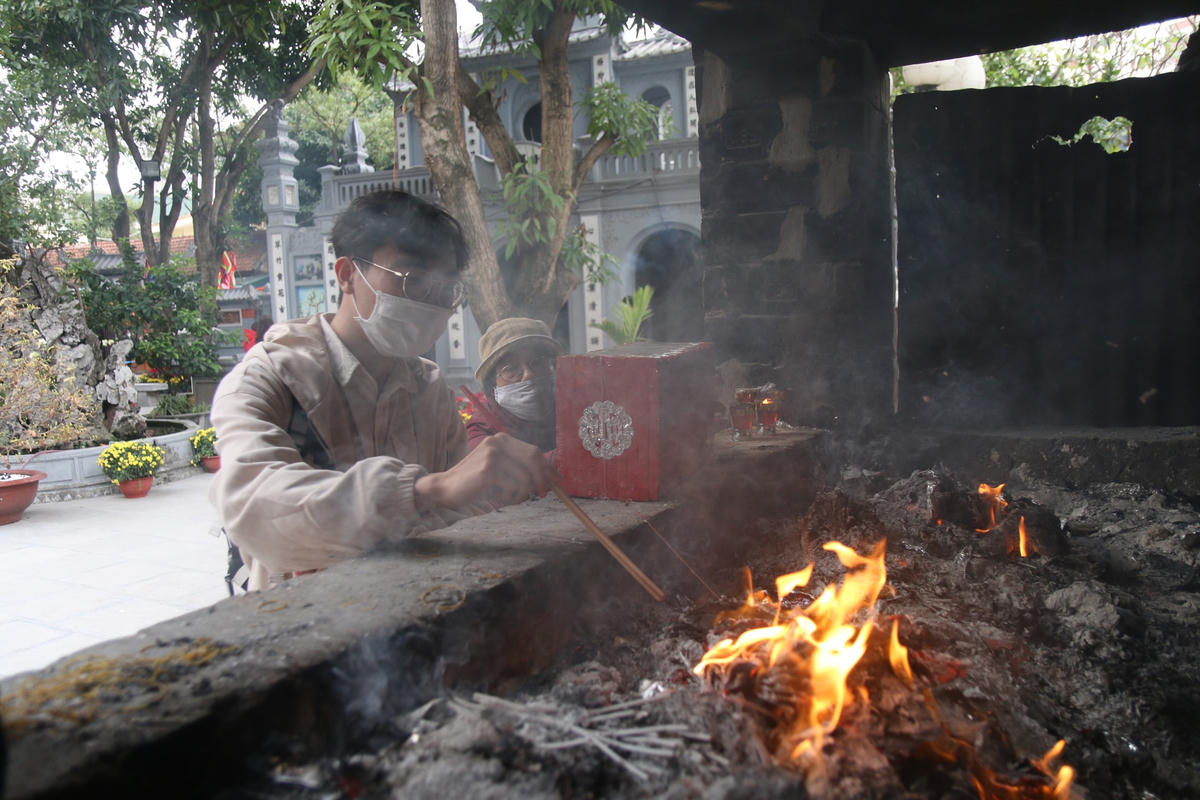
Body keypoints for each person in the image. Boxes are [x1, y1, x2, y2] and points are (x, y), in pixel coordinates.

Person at [210, 190, 558, 591]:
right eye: (412, 281)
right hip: (302, 618)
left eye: (445, 291)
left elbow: (471, 508)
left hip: (410, 610)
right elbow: (252, 504)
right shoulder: (270, 378)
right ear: (346, 275)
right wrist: (429, 491)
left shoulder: (430, 390)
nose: (431, 303)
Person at [465, 318, 562, 465]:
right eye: (510, 369)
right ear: (492, 383)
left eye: (537, 362)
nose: (528, 374)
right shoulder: (482, 427)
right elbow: (499, 473)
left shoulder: (572, 408)